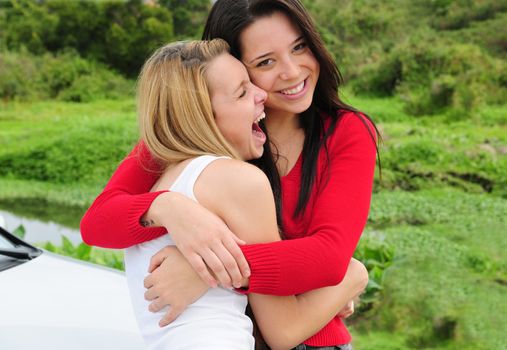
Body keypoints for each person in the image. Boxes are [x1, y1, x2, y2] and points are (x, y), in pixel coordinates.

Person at [81, 0, 378, 348]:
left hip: (309, 340)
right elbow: (97, 223)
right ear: (236, 66)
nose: (293, 71)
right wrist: (167, 208)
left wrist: (205, 272)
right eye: (265, 62)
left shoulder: (346, 132)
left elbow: (328, 257)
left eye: (299, 47)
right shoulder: (190, 131)